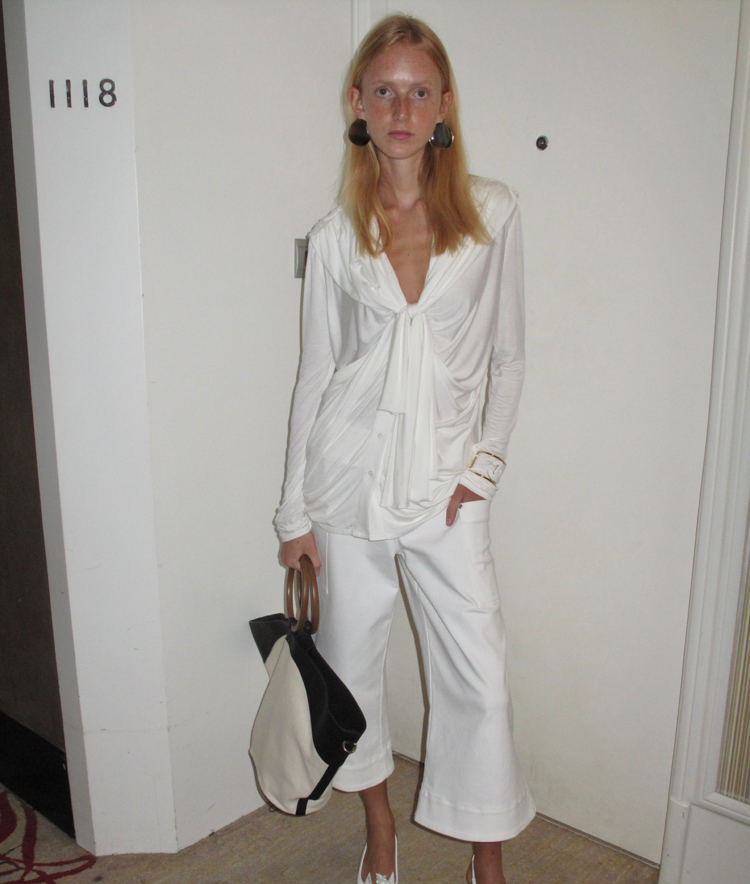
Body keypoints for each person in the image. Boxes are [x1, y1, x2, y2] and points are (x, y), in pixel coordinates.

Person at [275, 14, 534, 884]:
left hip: (447, 490)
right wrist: (293, 513)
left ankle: (486, 860)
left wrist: (485, 468)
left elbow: (509, 356)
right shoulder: (336, 236)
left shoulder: (493, 212)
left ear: (444, 104)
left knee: (480, 678)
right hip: (346, 489)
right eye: (383, 90)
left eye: (419, 91)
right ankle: (380, 832)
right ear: (357, 102)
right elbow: (315, 376)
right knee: (352, 670)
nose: (400, 108)